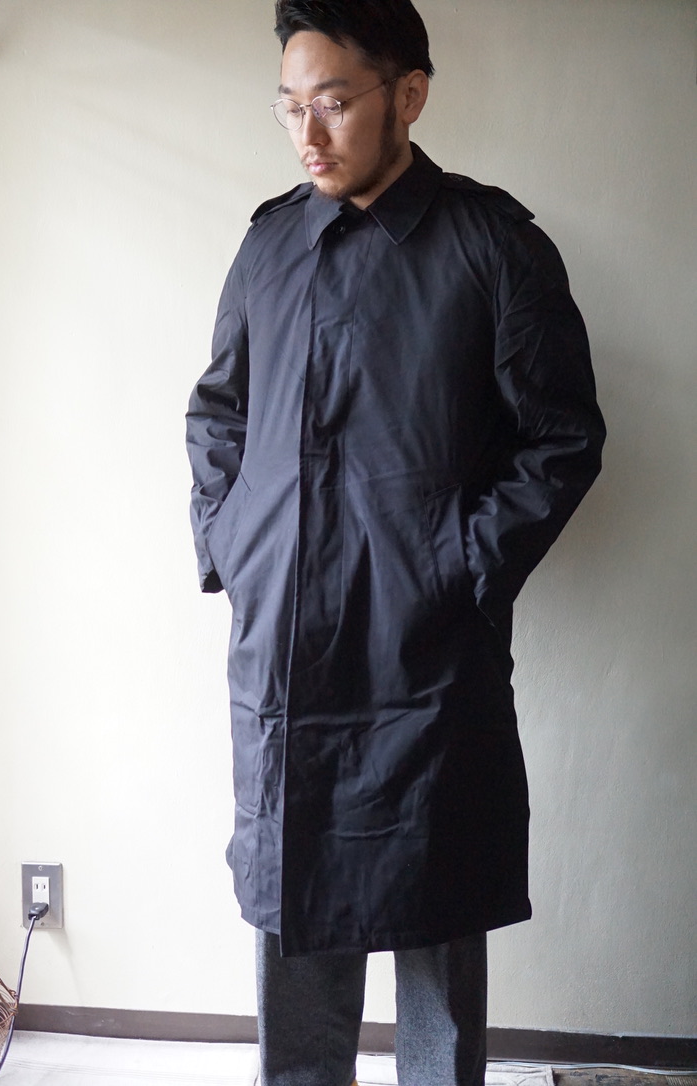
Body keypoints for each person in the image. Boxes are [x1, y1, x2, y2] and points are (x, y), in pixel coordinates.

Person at [186, 1, 606, 1083]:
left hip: (427, 652)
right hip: (286, 645)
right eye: (290, 107)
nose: (308, 134)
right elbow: (219, 411)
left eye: (332, 102)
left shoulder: (491, 245)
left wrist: (461, 565)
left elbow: (560, 438)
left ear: (407, 95)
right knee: (294, 908)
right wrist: (234, 546)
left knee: (436, 905)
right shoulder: (271, 243)